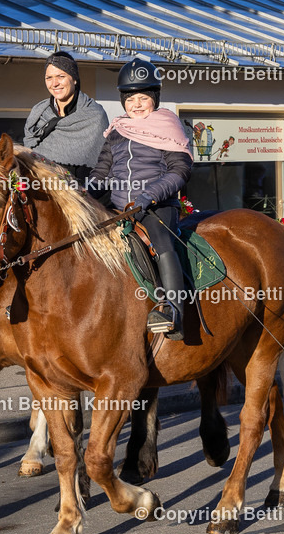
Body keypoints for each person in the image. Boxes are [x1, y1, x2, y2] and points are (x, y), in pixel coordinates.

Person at [89, 58, 193, 340]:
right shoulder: (116, 132)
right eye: (130, 98)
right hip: (119, 208)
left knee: (161, 240)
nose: (136, 104)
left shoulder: (168, 125)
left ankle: (173, 311)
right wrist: (83, 194)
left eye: (143, 98)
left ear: (154, 99)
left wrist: (149, 195)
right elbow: (101, 172)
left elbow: (180, 170)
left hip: (157, 207)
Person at [24, 51, 109, 187]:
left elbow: (103, 164)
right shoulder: (38, 113)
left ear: (74, 79)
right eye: (49, 78)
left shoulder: (95, 115)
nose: (54, 83)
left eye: (61, 76)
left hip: (82, 190)